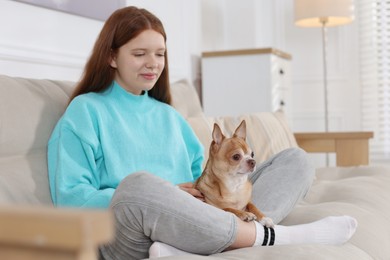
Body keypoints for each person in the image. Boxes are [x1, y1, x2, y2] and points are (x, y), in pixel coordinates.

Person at [47, 6, 358, 260]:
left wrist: (212, 193)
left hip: (198, 219)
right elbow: (71, 198)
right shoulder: (85, 111)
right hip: (127, 234)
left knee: (296, 160)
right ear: (112, 57)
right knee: (137, 185)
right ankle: (271, 236)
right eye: (139, 53)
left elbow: (207, 183)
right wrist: (167, 195)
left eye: (160, 54)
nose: (152, 64)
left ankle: (191, 247)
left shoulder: (170, 116)